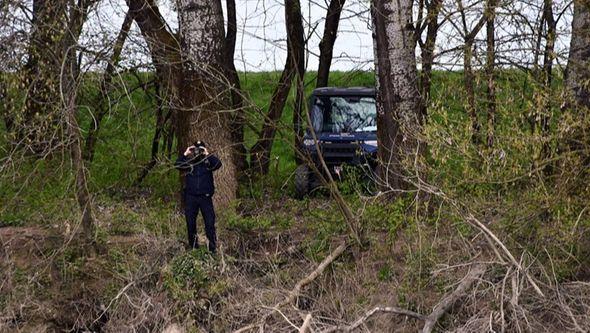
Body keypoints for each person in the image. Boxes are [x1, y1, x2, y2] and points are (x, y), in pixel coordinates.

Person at [174, 141, 222, 253]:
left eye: (199, 149)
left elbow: (218, 164)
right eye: (196, 149)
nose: (197, 152)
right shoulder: (189, 163)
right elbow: (177, 165)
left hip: (205, 197)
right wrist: (185, 154)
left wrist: (207, 154)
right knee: (190, 223)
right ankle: (194, 248)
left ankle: (212, 249)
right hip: (191, 198)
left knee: (210, 223)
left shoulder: (208, 163)